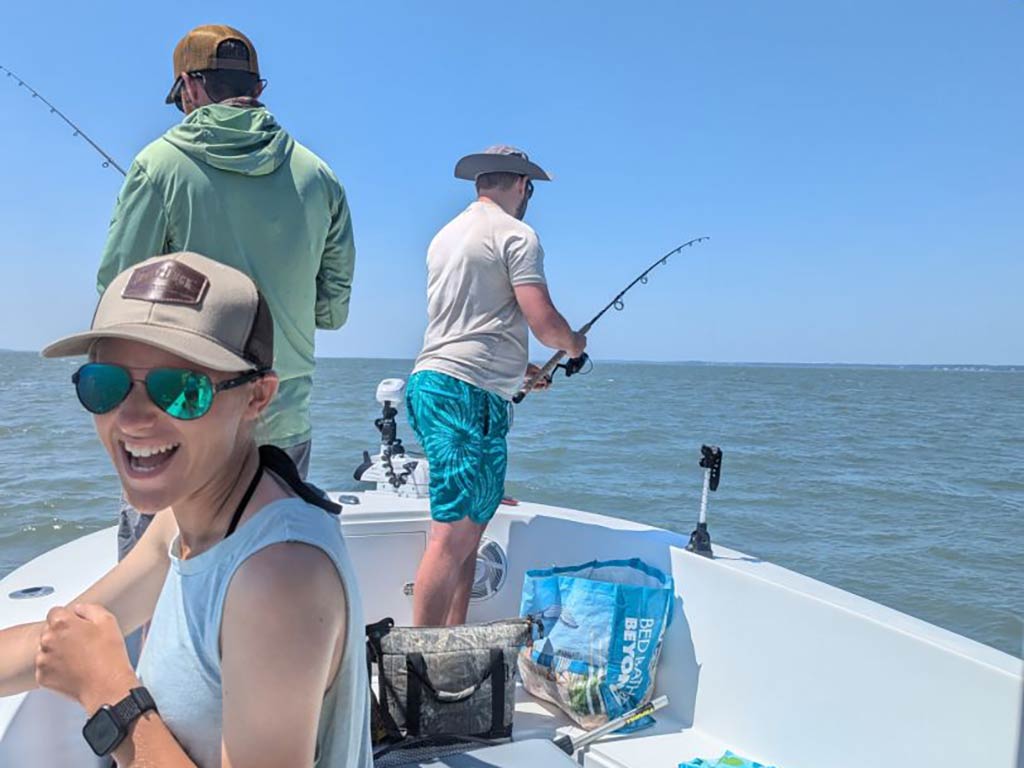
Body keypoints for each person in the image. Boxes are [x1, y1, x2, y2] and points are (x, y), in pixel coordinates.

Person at [0, 252, 372, 767]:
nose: (131, 418)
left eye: (180, 390)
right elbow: (60, 636)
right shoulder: (183, 520)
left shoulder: (279, 576)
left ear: (257, 397)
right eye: (104, 384)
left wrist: (110, 693)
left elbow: (93, 668)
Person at [96, 24, 355, 562]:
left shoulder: (158, 164)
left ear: (189, 88)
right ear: (257, 90)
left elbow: (115, 299)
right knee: (260, 574)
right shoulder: (321, 177)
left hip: (180, 415)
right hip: (283, 415)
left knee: (158, 581)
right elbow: (332, 309)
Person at [407, 145, 587, 626]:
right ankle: (417, 664)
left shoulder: (445, 237)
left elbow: (472, 323)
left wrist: (519, 371)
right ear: (523, 186)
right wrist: (573, 344)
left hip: (451, 385)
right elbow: (545, 323)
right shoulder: (517, 234)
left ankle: (453, 642)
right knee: (450, 535)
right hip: (462, 394)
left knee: (470, 531)